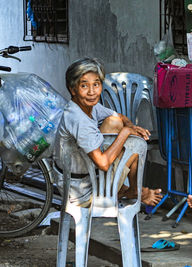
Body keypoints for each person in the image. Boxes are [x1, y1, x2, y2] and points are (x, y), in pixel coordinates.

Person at [53, 57, 162, 207]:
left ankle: (129, 190)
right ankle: (133, 191)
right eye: (84, 86)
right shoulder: (78, 119)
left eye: (96, 84)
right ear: (73, 89)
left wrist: (131, 127)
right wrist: (125, 133)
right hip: (79, 194)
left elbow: (120, 117)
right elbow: (103, 164)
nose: (92, 92)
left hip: (87, 179)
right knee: (133, 147)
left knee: (114, 122)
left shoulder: (89, 106)